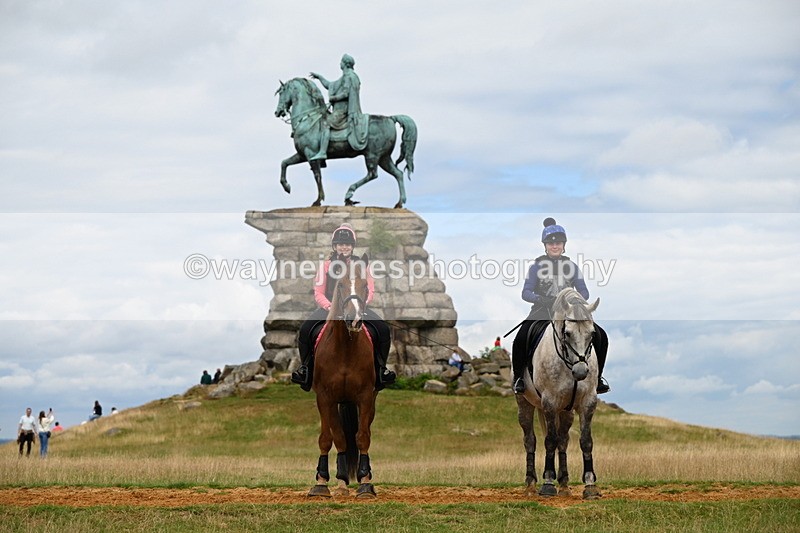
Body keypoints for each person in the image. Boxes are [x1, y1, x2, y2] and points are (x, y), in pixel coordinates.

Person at [511, 218, 610, 395]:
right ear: (545, 246)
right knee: (522, 336)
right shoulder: (536, 267)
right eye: (551, 243)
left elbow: (584, 292)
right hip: (542, 311)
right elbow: (525, 293)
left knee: (600, 335)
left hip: (569, 312)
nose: (554, 246)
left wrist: (573, 300)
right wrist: (542, 299)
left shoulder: (571, 266)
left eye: (558, 243)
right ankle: (519, 378)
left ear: (564, 245)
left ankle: (598, 378)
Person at [291, 223, 396, 392]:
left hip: (357, 307)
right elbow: (318, 292)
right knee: (305, 331)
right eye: (340, 244)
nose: (344, 247)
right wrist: (330, 307)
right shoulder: (326, 266)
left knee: (383, 330)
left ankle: (381, 370)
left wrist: (360, 306)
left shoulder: (361, 265)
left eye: (347, 244)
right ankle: (306, 370)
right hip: (330, 309)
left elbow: (370, 290)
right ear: (334, 246)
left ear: (352, 246)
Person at [308, 54, 369, 161]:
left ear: (345, 64)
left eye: (341, 62)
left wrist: (333, 98)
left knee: (325, 123)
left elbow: (346, 93)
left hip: (343, 111)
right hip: (340, 110)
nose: (339, 63)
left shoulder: (349, 76)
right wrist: (319, 77)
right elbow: (330, 85)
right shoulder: (346, 76)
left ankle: (322, 152)